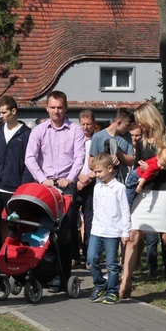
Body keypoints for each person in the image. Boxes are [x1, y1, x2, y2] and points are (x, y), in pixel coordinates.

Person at [120, 102, 166, 298]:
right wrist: (141, 168)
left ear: (150, 118)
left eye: (142, 122)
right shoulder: (141, 141)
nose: (140, 126)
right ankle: (126, 281)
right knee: (133, 236)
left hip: (163, 192)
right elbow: (140, 167)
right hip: (145, 192)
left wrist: (153, 168)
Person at [24, 91, 85, 289]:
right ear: (47, 108)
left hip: (66, 187)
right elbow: (30, 158)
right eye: (53, 107)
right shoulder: (39, 131)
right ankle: (45, 273)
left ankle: (64, 275)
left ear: (65, 108)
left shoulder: (75, 130)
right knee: (43, 230)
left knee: (65, 234)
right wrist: (42, 179)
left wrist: (70, 178)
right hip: (45, 188)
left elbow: (79, 157)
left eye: (60, 107)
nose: (56, 111)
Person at [0, 95, 32, 261]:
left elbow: (29, 163)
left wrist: (23, 187)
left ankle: (13, 258)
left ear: (13, 111)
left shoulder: (27, 134)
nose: (0, 116)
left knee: (14, 224)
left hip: (15, 190)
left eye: (4, 112)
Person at [87, 153, 131, 305]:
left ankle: (113, 291)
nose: (97, 175)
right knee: (91, 258)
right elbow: (96, 207)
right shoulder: (97, 187)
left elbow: (125, 210)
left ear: (110, 168)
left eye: (99, 172)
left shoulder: (119, 188)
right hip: (97, 229)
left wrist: (125, 232)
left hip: (112, 231)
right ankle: (99, 285)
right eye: (95, 172)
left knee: (111, 263)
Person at [73, 109, 97, 266]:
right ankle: (74, 254)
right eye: (83, 124)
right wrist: (78, 178)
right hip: (75, 182)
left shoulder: (98, 140)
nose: (86, 127)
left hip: (92, 182)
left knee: (90, 221)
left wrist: (89, 178)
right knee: (72, 220)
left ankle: (89, 254)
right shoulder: (74, 139)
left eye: (88, 124)